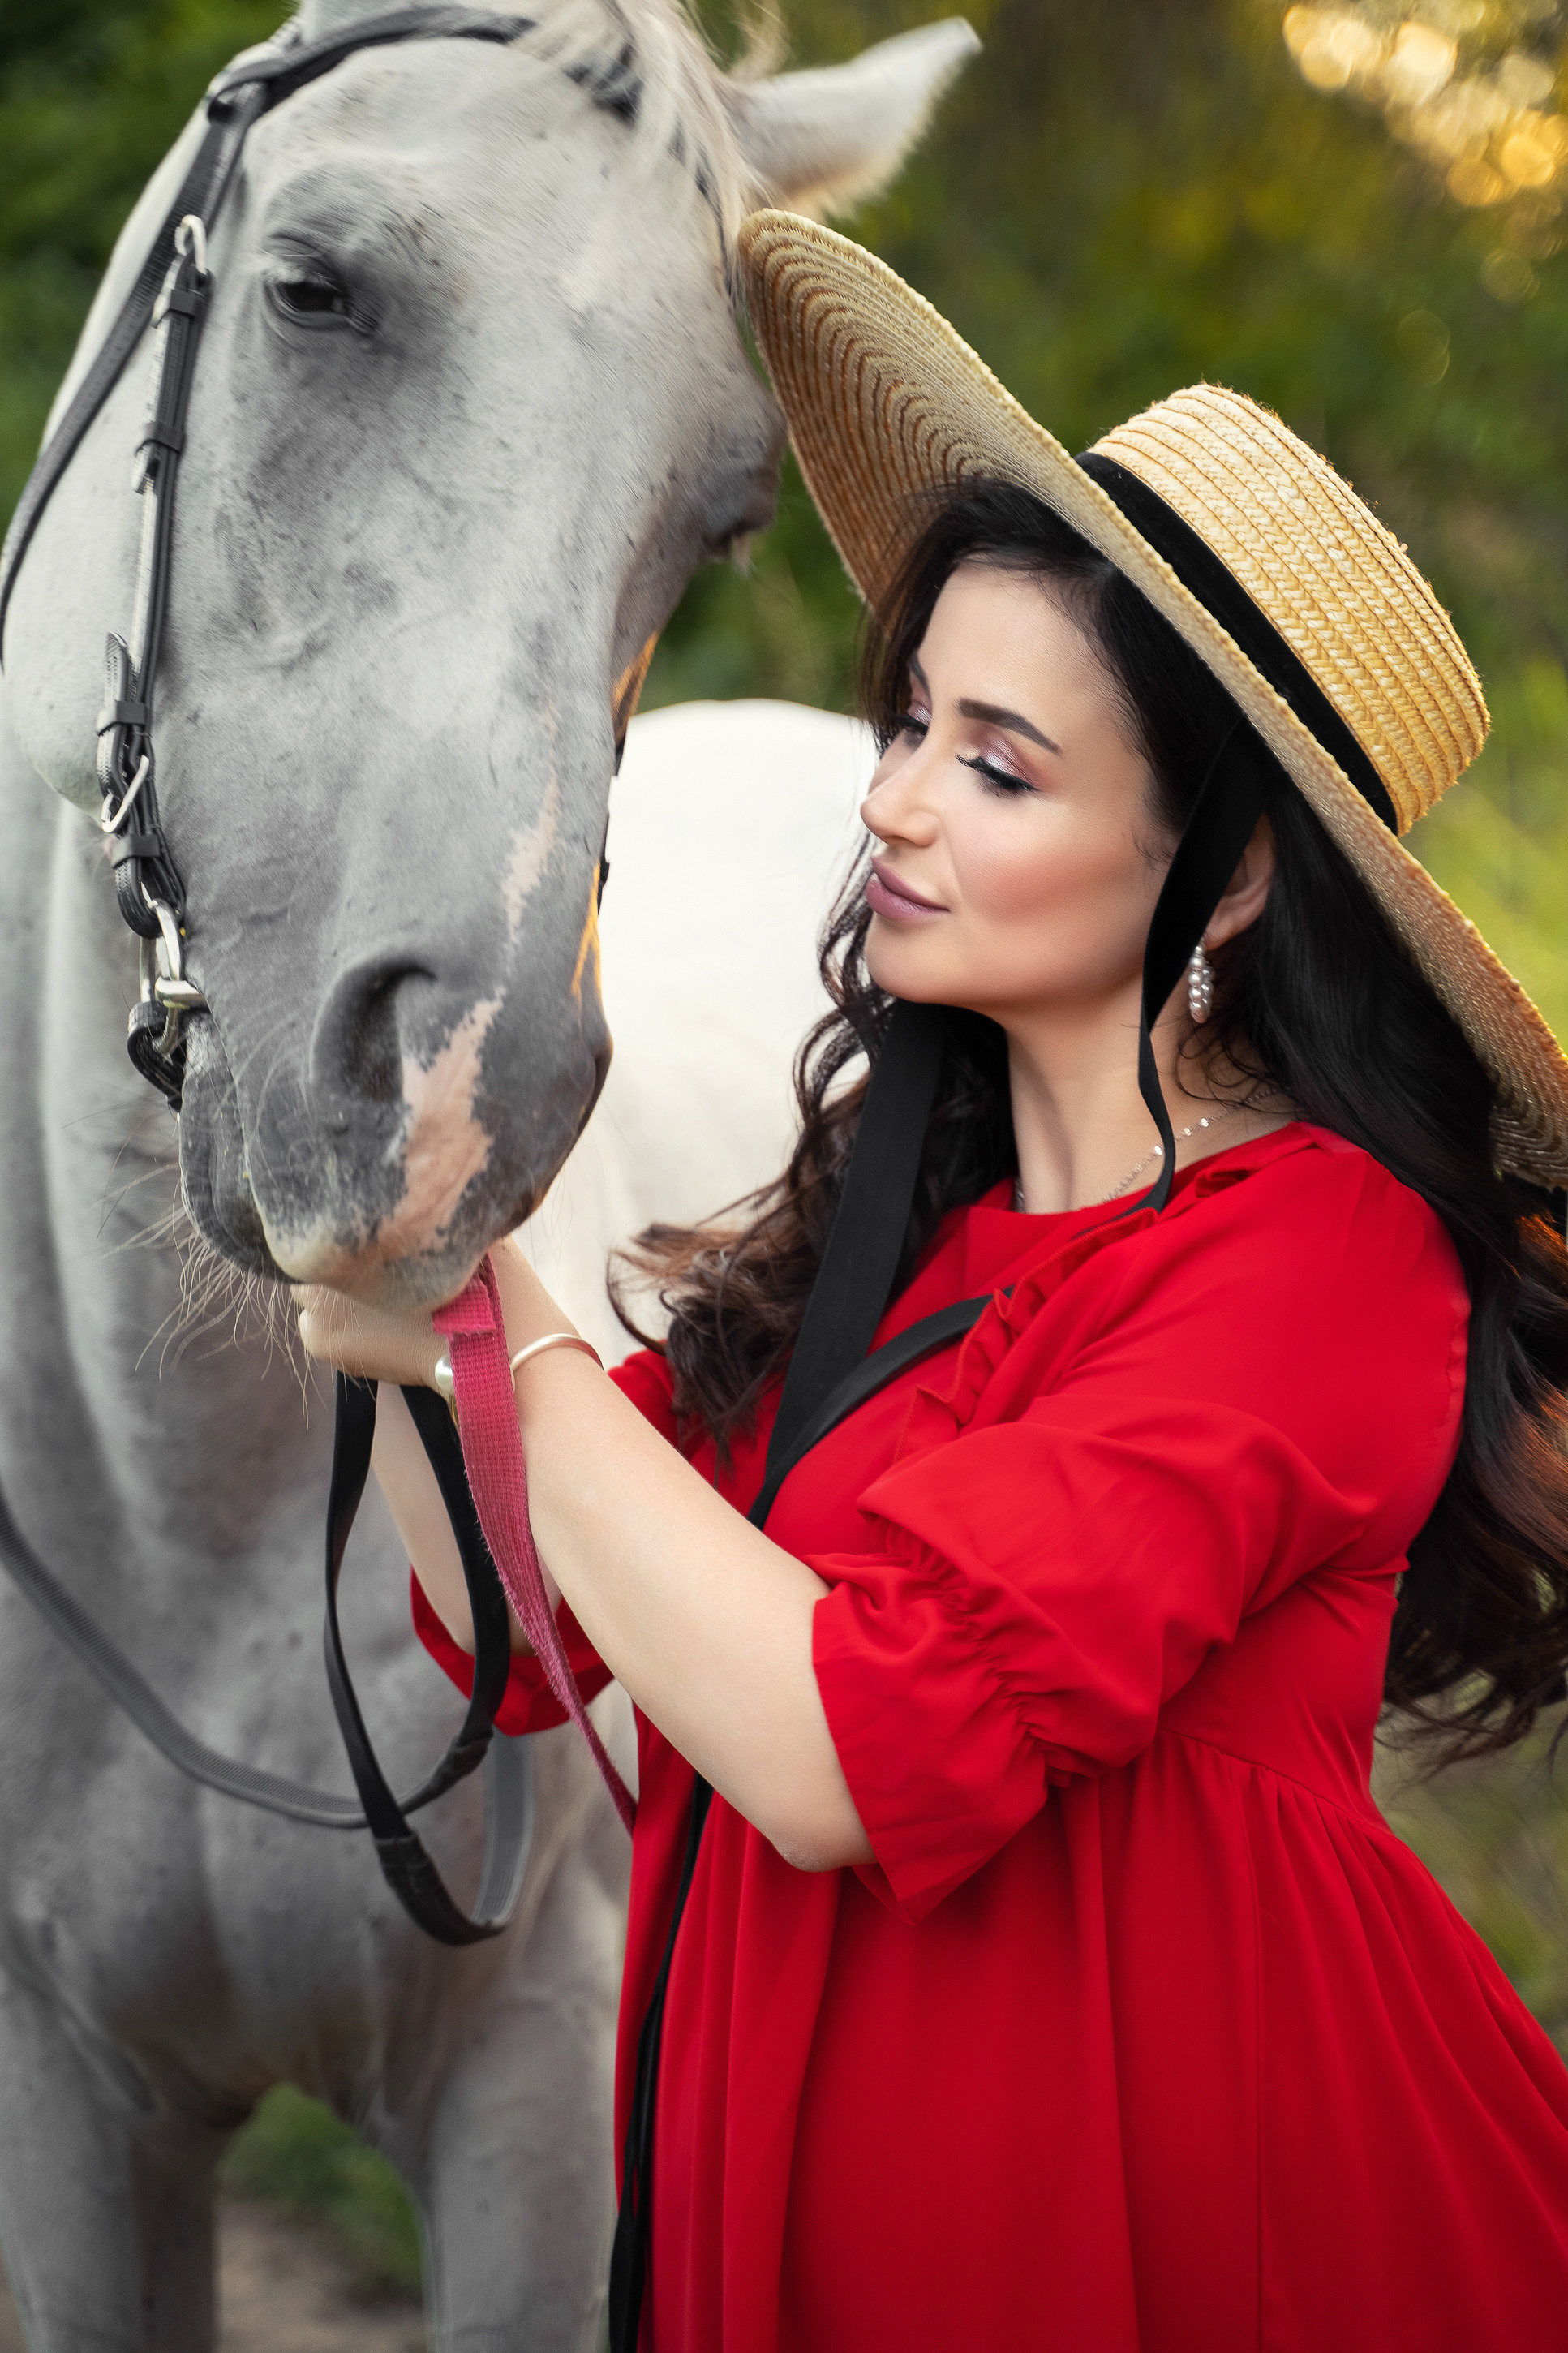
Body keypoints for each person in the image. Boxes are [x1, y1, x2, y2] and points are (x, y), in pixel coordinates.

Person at [299, 212, 1568, 2351]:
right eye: (910, 726)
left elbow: (840, 1744)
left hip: (1193, 2228)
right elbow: (541, 1618)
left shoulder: (1323, 1253)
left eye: (997, 763)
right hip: (801, 2206)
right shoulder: (900, 1246)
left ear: (1232, 874)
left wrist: (510, 1330)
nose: (885, 800)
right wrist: (413, 1301)